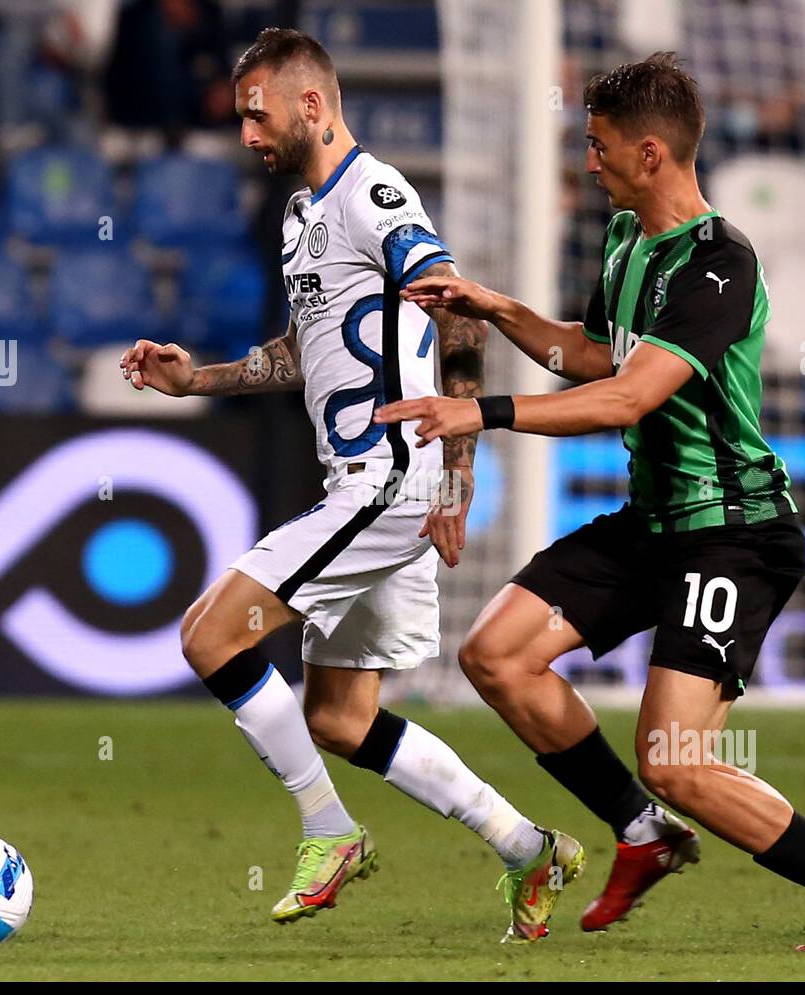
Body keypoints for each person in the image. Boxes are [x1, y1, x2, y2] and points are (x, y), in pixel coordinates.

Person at [376, 52, 805, 953]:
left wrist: (483, 409)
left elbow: (628, 398)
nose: (588, 161)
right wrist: (497, 306)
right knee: (498, 655)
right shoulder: (627, 243)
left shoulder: (718, 265)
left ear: (652, 151)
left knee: (675, 758)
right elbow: (592, 359)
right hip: (655, 523)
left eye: (598, 145)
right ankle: (642, 832)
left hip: (733, 534)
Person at [120, 28, 583, 942]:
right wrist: (197, 379)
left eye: (256, 114)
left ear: (312, 105)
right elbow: (305, 353)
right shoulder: (303, 216)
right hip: (369, 487)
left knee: (208, 637)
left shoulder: (377, 195)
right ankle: (529, 847)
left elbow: (459, 311)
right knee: (338, 717)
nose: (245, 133)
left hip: (387, 483)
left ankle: (330, 832)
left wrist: (457, 477)